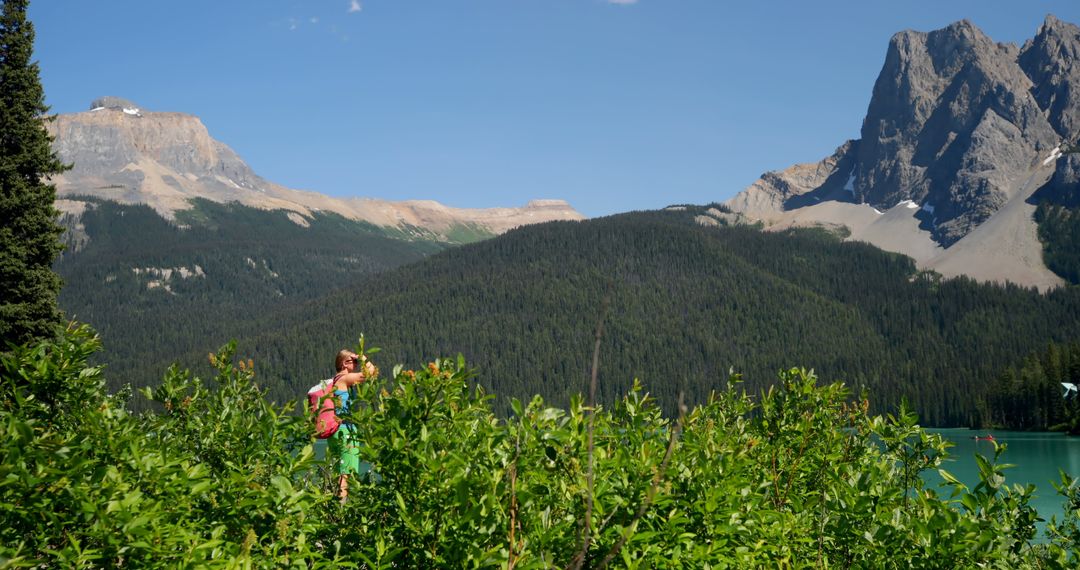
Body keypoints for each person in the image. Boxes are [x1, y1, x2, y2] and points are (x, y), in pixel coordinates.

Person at [328, 349, 376, 504]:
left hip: (335, 431)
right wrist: (363, 357)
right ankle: (341, 510)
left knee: (339, 471)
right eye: (353, 361)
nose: (356, 364)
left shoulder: (337, 380)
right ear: (343, 363)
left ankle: (334, 504)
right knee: (346, 473)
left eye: (356, 361)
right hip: (345, 430)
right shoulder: (344, 378)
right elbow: (371, 373)